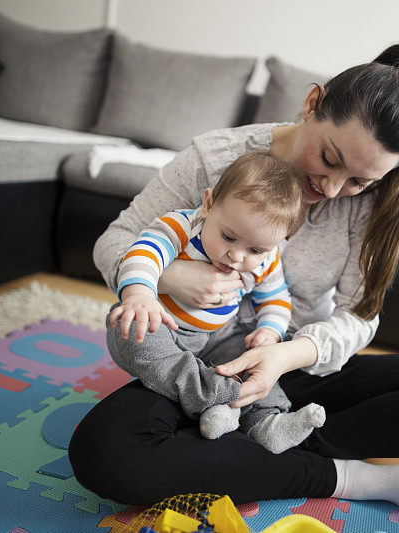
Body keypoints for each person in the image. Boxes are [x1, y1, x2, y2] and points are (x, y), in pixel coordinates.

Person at [69, 44, 399, 512]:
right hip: (198, 362)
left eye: (357, 181)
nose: (331, 189)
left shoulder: (371, 202)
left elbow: (359, 317)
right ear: (312, 104)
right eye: (329, 158)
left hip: (294, 366)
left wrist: (285, 353)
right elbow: (115, 242)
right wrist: (171, 277)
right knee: (103, 452)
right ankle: (337, 473)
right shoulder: (216, 159)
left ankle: (250, 437)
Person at [107, 151, 326, 454]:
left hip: (219, 335)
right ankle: (216, 399)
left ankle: (267, 422)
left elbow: (276, 297)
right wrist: (140, 295)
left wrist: (271, 331)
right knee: (130, 329)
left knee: (254, 357)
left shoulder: (266, 259)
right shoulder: (182, 227)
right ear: (209, 205)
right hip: (165, 326)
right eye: (228, 236)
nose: (237, 256)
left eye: (255, 249)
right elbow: (143, 253)